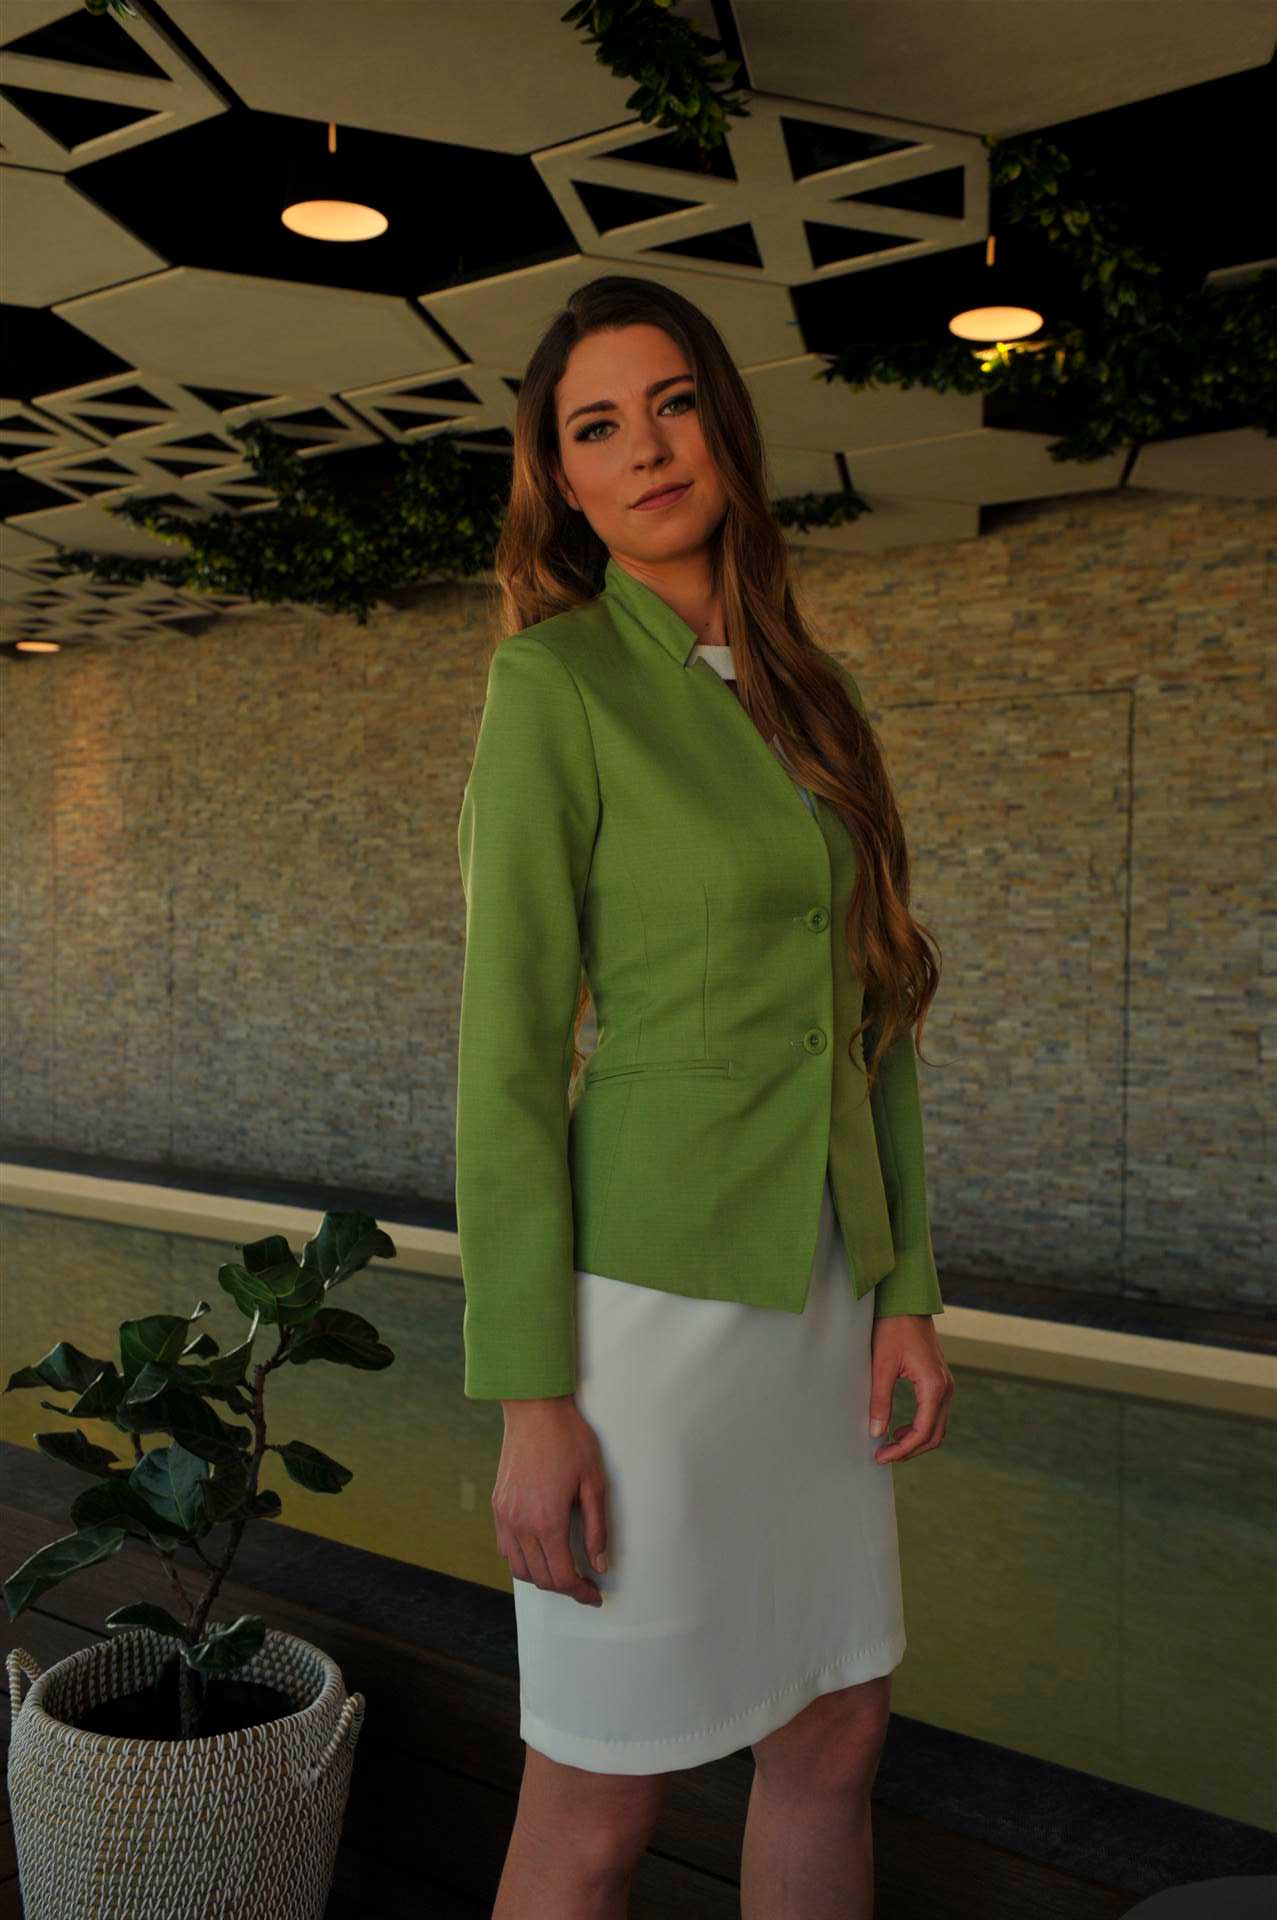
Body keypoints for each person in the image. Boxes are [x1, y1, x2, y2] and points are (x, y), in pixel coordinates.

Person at [454, 274, 956, 1920]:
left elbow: (872, 1011)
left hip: (819, 1302)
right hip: (649, 1324)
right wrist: (531, 1398)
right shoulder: (556, 687)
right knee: (600, 1794)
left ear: (723, 426)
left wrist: (902, 1289)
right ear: (562, 479)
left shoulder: (819, 698)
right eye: (598, 427)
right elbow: (506, 1059)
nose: (646, 448)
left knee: (835, 1734)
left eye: (671, 404)